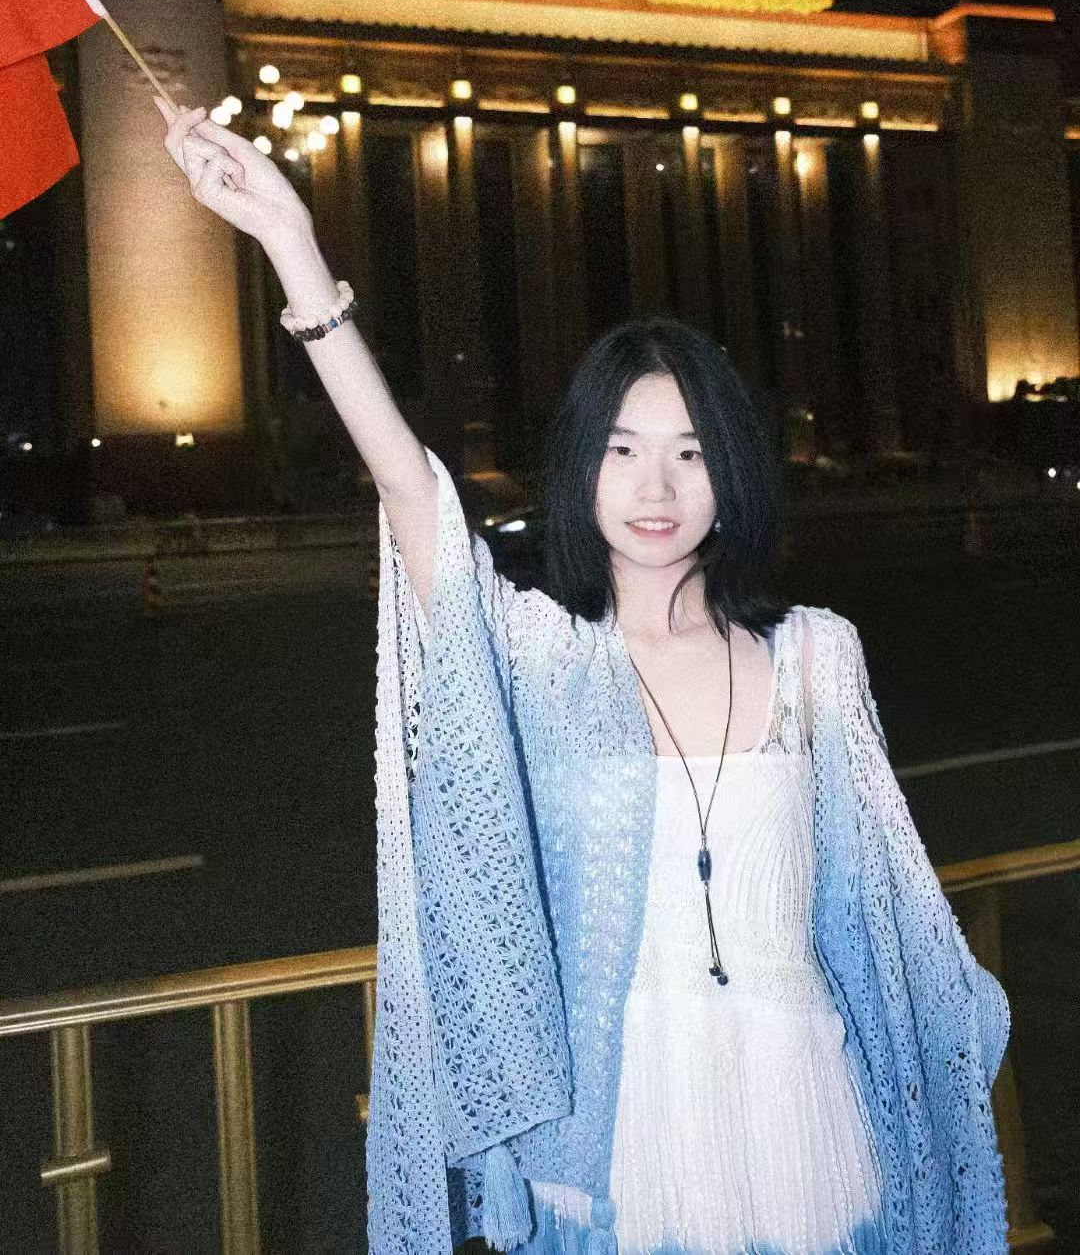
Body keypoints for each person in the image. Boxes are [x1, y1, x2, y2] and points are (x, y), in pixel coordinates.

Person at [158, 104, 1011, 1255]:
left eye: (691, 452)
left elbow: (884, 929)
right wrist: (290, 245)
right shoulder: (544, 662)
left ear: (732, 473)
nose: (656, 487)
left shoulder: (817, 658)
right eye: (623, 450)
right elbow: (412, 492)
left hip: (815, 1138)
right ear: (583, 469)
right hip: (617, 1154)